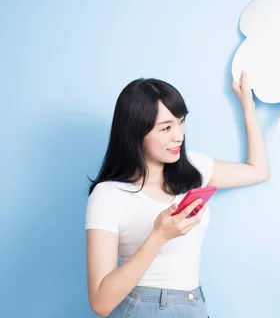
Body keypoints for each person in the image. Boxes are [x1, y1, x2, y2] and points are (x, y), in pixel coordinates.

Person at [85, 71, 270, 317]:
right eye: (166, 128)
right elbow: (100, 303)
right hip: (142, 308)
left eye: (181, 122)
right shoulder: (108, 195)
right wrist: (158, 236)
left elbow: (258, 171)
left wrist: (248, 106)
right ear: (135, 133)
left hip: (193, 305)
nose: (179, 135)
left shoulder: (194, 168)